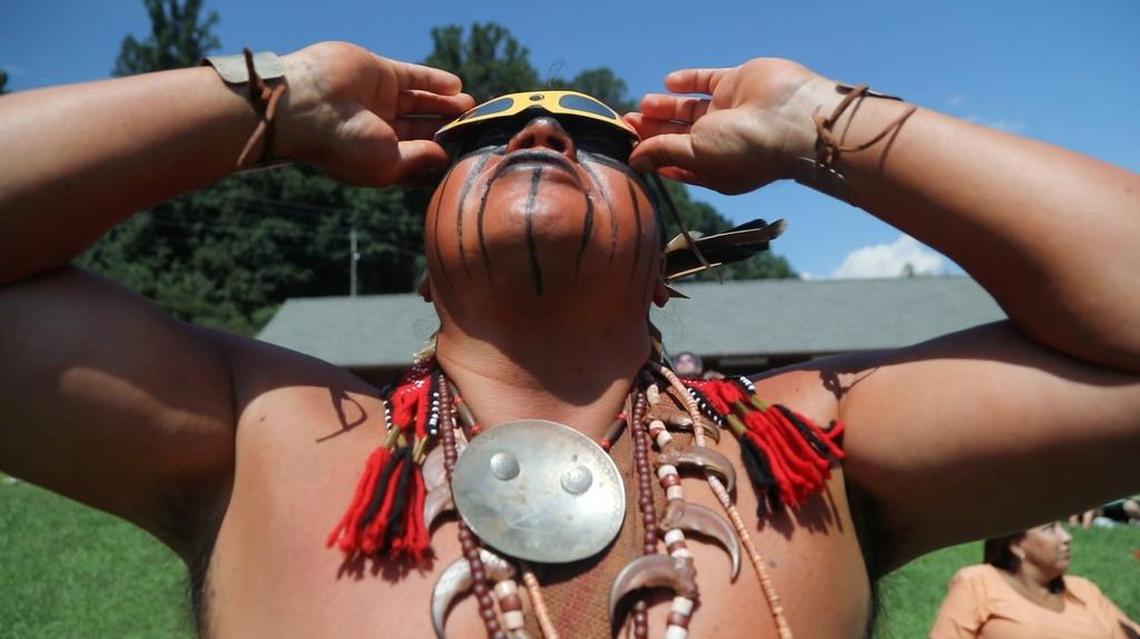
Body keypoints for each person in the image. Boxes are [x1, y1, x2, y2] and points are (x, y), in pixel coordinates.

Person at [1, 40, 1138, 638]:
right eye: (484, 134)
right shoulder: (255, 426)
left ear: (668, 255)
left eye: (598, 139)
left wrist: (815, 124)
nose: (540, 126)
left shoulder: (815, 441)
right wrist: (272, 101)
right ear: (425, 251)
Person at [929, 522, 1140, 638]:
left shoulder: (1083, 591)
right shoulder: (979, 582)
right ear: (1016, 545)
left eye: (1062, 526)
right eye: (1050, 528)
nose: (1067, 537)